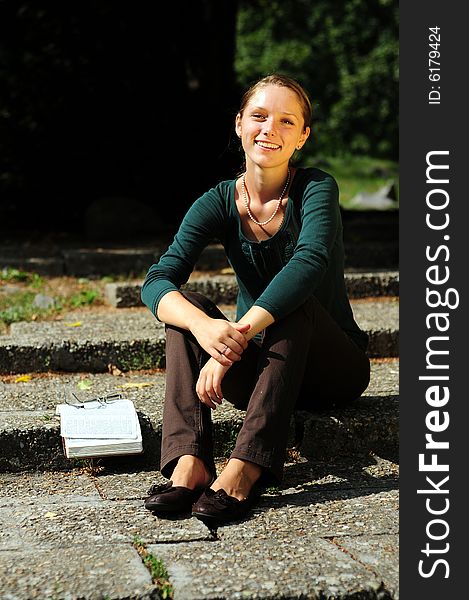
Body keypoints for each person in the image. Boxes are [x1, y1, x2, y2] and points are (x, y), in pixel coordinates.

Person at [140, 74, 370, 528]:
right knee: (186, 305)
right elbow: (157, 281)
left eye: (287, 121)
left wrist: (234, 340)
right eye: (260, 117)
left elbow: (308, 264)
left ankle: (248, 465)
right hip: (264, 370)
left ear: (303, 136)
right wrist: (207, 329)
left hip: (332, 367)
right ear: (240, 124)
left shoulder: (316, 188)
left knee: (294, 300)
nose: (271, 129)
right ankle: (190, 461)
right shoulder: (217, 202)